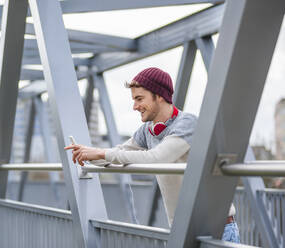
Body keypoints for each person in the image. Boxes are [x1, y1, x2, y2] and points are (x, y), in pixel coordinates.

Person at [64, 67, 240, 243]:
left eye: (139, 99)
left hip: (216, 230)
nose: (135, 106)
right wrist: (88, 155)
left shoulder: (188, 123)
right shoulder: (147, 131)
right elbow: (117, 156)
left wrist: (100, 153)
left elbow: (158, 158)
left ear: (160, 95)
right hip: (183, 231)